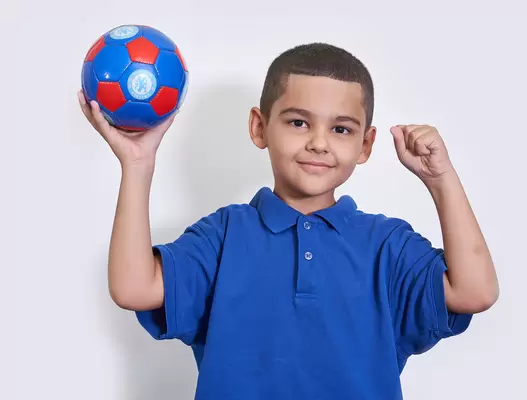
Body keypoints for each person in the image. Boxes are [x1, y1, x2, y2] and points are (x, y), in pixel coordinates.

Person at [78, 42, 499, 400]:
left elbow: (474, 292)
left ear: (366, 145)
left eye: (341, 129)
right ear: (259, 128)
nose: (318, 142)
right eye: (299, 122)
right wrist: (137, 165)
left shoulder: (388, 244)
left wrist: (441, 180)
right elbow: (134, 288)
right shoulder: (223, 235)